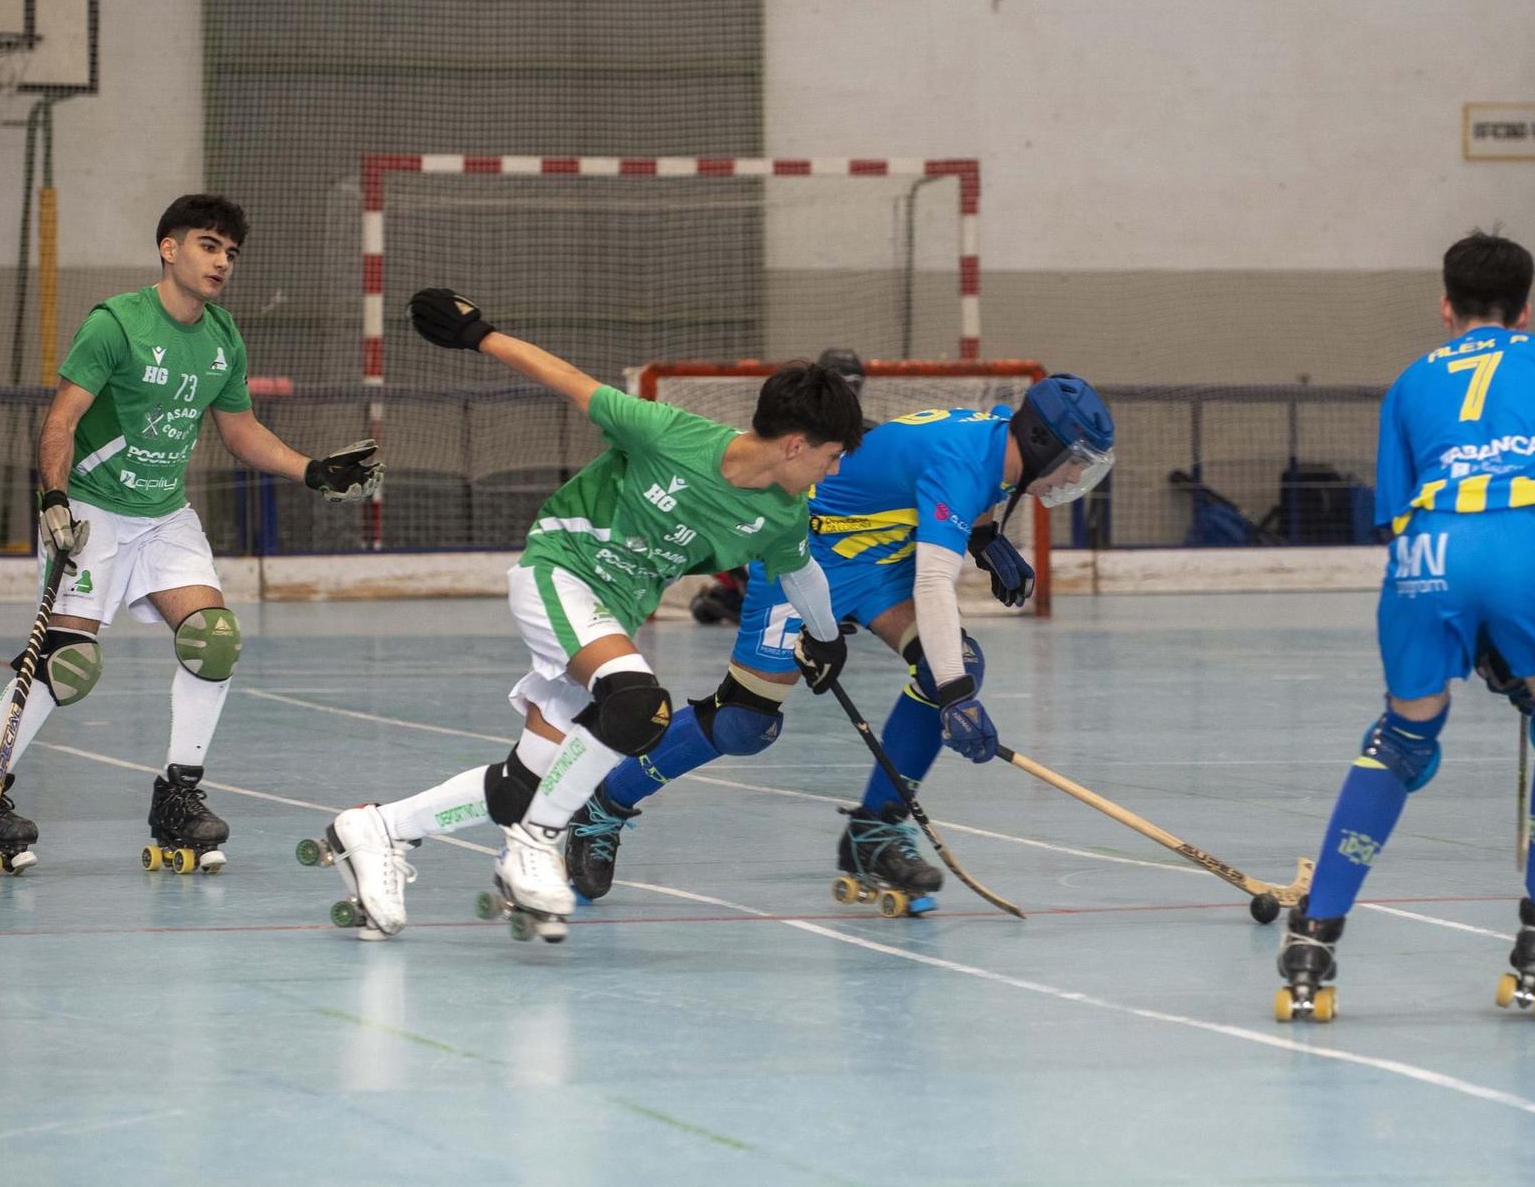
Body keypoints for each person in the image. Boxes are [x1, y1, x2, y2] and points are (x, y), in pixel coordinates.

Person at [318, 288, 865, 941]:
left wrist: (828, 639)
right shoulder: (670, 435)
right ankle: (536, 842)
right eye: (832, 456)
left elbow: (799, 572)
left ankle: (378, 829)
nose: (833, 470)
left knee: (524, 781)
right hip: (561, 572)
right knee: (637, 704)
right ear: (796, 444)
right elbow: (572, 383)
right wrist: (479, 334)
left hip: (610, 618)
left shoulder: (781, 511)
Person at [0, 194, 383, 876]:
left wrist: (313, 470)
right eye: (209, 245)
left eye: (231, 252)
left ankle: (178, 794)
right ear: (168, 249)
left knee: (215, 639)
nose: (222, 261)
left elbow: (239, 430)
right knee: (69, 664)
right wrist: (54, 498)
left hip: (166, 515)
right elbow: (60, 420)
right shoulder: (117, 323)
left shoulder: (223, 337)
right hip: (94, 510)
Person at [566, 373, 1116, 911]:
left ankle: (874, 833)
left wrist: (985, 533)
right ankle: (605, 805)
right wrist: (956, 697)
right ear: (1043, 444)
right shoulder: (965, 462)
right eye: (1076, 461)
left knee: (953, 663)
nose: (1075, 477)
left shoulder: (1001, 433)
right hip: (803, 553)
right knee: (744, 723)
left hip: (875, 559)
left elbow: (962, 481)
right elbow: (933, 582)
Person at [1274, 229, 1535, 1021]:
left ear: (1445, 305)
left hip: (1428, 547)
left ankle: (1313, 942)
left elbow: (1396, 517)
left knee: (1402, 738)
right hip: (1532, 536)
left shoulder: (1408, 382)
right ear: (1525, 308)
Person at [690, 347, 870, 626]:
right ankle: (744, 589)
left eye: (853, 383)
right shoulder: (782, 435)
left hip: (843, 535)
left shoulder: (873, 438)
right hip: (786, 523)